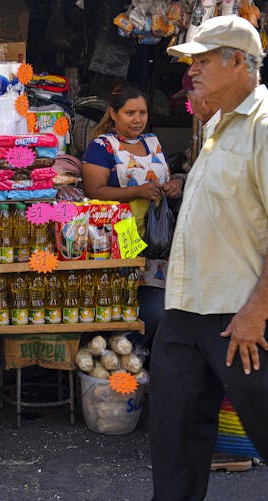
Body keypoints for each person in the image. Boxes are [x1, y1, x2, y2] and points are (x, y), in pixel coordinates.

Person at [150, 15, 268, 501]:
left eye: (202, 60)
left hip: (240, 314)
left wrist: (258, 309)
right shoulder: (219, 124)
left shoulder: (264, 127)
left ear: (236, 61)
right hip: (185, 308)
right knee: (174, 437)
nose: (192, 71)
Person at [81, 84, 183, 346]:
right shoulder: (101, 146)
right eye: (130, 113)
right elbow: (94, 191)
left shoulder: (152, 142)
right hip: (120, 236)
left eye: (143, 113)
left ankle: (141, 360)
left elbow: (165, 179)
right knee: (123, 302)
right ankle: (119, 357)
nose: (138, 119)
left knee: (156, 307)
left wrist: (173, 187)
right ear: (113, 113)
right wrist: (137, 191)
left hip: (155, 237)